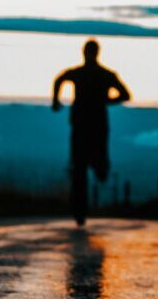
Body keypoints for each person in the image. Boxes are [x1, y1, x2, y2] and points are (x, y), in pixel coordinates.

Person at [52, 39, 131, 226]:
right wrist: (105, 100)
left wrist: (55, 100)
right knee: (81, 167)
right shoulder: (105, 75)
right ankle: (80, 210)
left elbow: (59, 79)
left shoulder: (84, 74)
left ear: (84, 52)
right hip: (93, 125)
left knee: (81, 167)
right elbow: (124, 95)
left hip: (84, 124)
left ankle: (81, 208)